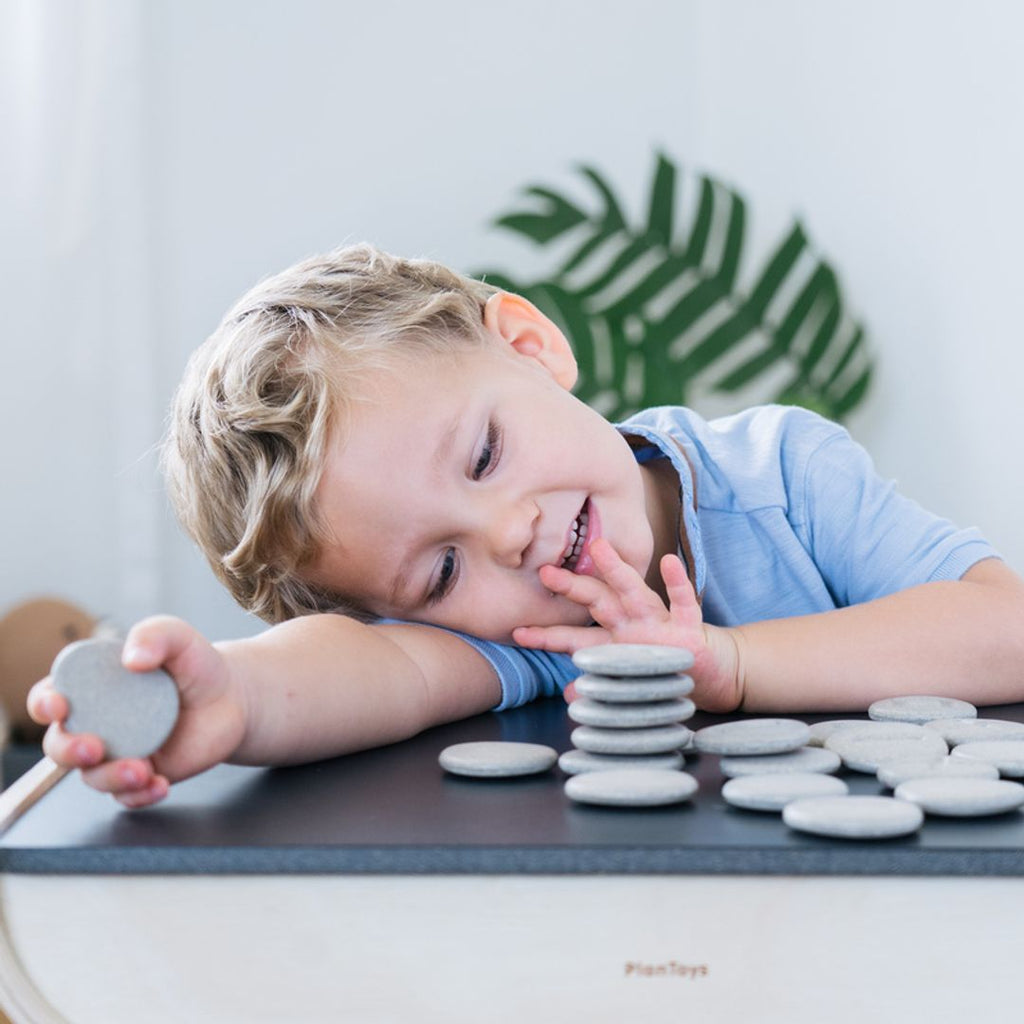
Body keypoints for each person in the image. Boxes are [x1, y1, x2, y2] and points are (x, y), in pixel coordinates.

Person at [28, 244, 1024, 808]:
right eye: (437, 572)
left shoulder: (782, 475)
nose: (504, 536)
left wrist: (729, 660)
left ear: (533, 347)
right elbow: (376, 670)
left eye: (483, 457)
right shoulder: (538, 627)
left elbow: (1004, 631)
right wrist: (236, 697)